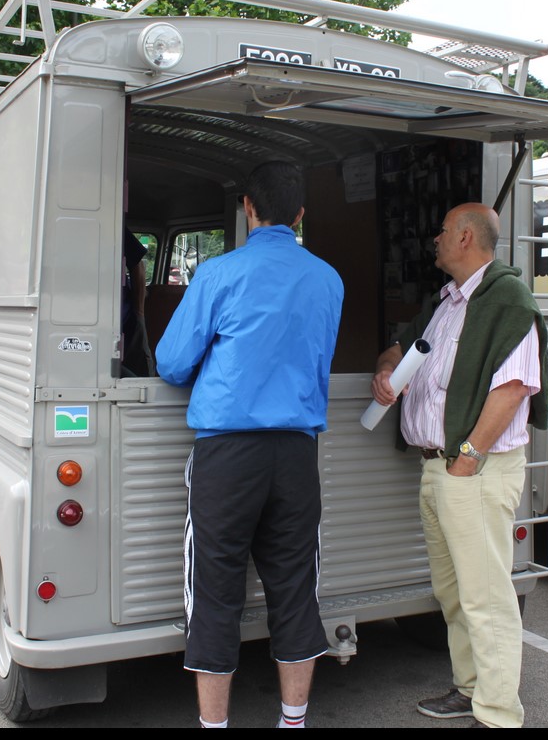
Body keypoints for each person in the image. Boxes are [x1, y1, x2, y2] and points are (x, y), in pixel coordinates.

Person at [155, 162, 344, 729]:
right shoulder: (328, 279)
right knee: (294, 588)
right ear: (302, 215)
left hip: (228, 454)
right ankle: (293, 722)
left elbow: (170, 362)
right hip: (295, 454)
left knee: (214, 592)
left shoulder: (218, 274)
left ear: (247, 207)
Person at [369, 203, 548, 729]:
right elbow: (398, 349)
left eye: (443, 232)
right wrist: (385, 371)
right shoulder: (446, 301)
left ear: (466, 237)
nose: (436, 240)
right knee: (454, 592)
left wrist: (467, 460)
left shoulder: (507, 299)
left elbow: (515, 387)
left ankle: (497, 714)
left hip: (474, 468)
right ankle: (471, 688)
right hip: (441, 468)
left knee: (485, 594)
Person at [121, 227, 154, 377]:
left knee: (138, 356)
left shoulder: (114, 227)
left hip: (123, 314)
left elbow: (137, 266)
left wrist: (139, 313)